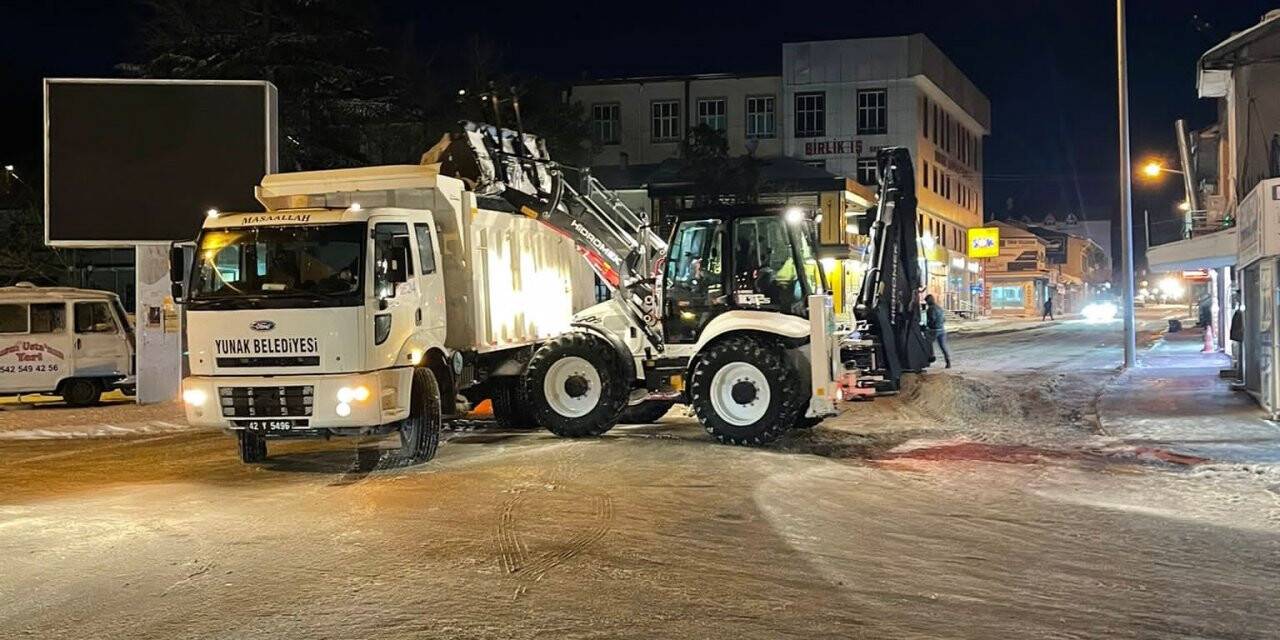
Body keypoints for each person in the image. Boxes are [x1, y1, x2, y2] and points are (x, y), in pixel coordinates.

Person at [924, 294, 952, 369]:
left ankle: (930, 357)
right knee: (943, 346)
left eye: (926, 301)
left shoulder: (930, 309)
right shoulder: (939, 308)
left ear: (928, 301)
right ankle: (948, 361)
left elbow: (932, 319)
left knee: (927, 342)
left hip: (934, 330)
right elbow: (944, 319)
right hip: (942, 329)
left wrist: (927, 326)